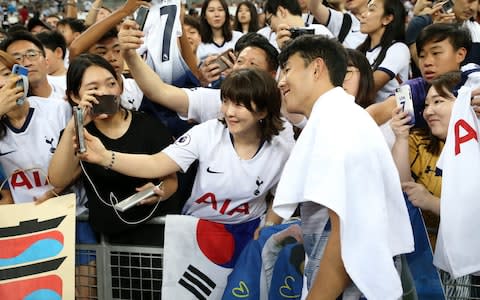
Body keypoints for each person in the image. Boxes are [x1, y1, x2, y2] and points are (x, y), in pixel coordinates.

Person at [272, 35, 413, 299]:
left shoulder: (338, 123)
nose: (281, 80)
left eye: (288, 69)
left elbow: (346, 242)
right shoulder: (340, 118)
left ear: (316, 68)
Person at [48, 53, 179, 240]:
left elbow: (172, 180)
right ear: (75, 96)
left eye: (111, 83)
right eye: (93, 88)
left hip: (157, 231)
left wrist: (161, 192)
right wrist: (74, 125)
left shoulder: (147, 124)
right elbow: (58, 179)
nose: (105, 92)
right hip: (110, 238)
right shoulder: (77, 133)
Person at [390, 70, 475, 298]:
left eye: (438, 101)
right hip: (429, 264)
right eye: (426, 104)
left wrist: (432, 202)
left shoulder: (474, 149)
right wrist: (401, 138)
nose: (428, 111)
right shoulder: (420, 142)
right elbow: (402, 189)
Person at [0, 50, 71, 204]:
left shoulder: (59, 109)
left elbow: (81, 161)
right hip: (25, 217)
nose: (1, 84)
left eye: (5, 74)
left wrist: (54, 192)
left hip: (72, 207)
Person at [366, 23, 471, 127]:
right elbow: (374, 114)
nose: (427, 62)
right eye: (422, 55)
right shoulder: (412, 90)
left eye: (436, 53)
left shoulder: (473, 82)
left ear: (460, 54)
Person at [357, 0, 409, 102]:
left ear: (387, 19)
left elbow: (369, 87)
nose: (362, 15)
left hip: (393, 115)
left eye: (371, 10)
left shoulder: (399, 49)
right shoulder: (360, 50)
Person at [0, 31, 66, 100]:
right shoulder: (7, 106)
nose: (27, 63)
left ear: (46, 61)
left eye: (32, 55)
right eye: (17, 58)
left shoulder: (68, 95)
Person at [264, 0, 333, 49]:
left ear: (281, 12)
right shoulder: (276, 42)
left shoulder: (320, 32)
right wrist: (282, 52)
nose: (271, 29)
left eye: (269, 21)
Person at [196, 0, 243, 64]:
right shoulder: (197, 41)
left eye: (220, 10)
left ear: (226, 14)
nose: (217, 15)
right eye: (211, 10)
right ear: (204, 15)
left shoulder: (239, 37)